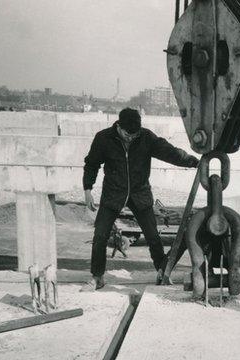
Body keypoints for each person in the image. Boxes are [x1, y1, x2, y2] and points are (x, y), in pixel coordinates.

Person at [81, 108, 199, 291]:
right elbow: (91, 164)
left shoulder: (146, 137)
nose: (131, 138)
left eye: (135, 134)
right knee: (100, 236)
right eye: (128, 134)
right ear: (119, 126)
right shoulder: (103, 138)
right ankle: (97, 277)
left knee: (153, 236)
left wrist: (194, 162)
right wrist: (87, 189)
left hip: (140, 194)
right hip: (113, 194)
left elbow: (170, 152)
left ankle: (162, 272)